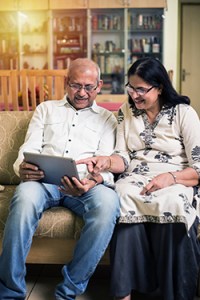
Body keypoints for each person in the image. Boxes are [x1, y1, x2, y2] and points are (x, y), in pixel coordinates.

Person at [77, 57, 200, 300]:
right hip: (135, 175)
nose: (134, 95)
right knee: (120, 196)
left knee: (172, 201)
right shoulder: (126, 111)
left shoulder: (183, 113)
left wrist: (171, 177)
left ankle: (173, 293)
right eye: (131, 88)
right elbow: (122, 155)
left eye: (141, 90)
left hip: (178, 177)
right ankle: (124, 293)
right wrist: (106, 161)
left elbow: (198, 165)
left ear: (160, 87)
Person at [0, 58, 120, 300]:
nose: (82, 93)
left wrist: (93, 181)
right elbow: (28, 148)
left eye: (89, 87)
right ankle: (10, 292)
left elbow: (107, 163)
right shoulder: (46, 109)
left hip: (86, 185)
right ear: (66, 83)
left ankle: (68, 291)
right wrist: (22, 167)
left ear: (99, 86)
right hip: (44, 181)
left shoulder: (108, 118)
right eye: (76, 85)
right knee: (23, 198)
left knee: (109, 205)